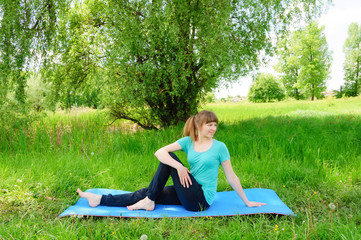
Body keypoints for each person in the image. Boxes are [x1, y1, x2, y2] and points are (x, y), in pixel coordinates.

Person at [77, 110, 266, 211]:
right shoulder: (188, 142)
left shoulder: (220, 147)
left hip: (200, 200)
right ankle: (100, 199)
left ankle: (149, 201)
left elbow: (231, 177)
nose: (213, 129)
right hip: (187, 190)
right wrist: (179, 167)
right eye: (209, 125)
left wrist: (247, 202)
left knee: (169, 162)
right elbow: (159, 152)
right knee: (147, 192)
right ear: (199, 125)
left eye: (215, 125)